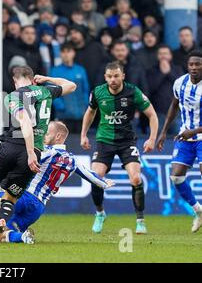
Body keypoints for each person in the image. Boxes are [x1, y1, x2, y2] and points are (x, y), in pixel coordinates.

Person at [0, 121, 115, 244]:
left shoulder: (46, 151)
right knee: (3, 234)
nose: (43, 135)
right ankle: (24, 238)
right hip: (38, 207)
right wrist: (105, 182)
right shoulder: (73, 160)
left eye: (47, 133)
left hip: (23, 196)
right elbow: (92, 177)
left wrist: (2, 148)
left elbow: (21, 158)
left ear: (58, 137)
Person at [0, 66, 77, 244]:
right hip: (32, 153)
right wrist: (47, 78)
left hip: (11, 147)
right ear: (33, 79)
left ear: (15, 81)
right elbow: (71, 85)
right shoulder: (46, 91)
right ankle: (2, 222)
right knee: (10, 197)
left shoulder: (14, 96)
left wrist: (29, 150)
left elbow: (24, 121)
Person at [80, 61, 159, 234]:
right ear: (105, 77)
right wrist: (83, 134)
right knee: (96, 178)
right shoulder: (98, 92)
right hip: (104, 141)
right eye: (109, 76)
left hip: (127, 141)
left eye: (116, 76)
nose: (113, 79)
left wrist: (152, 139)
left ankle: (140, 221)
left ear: (123, 76)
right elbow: (90, 112)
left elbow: (152, 115)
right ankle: (100, 213)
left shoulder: (133, 91)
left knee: (136, 179)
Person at [157, 50, 202, 233]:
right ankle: (198, 210)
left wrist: (193, 131)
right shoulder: (179, 83)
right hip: (185, 137)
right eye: (191, 64)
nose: (194, 67)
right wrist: (163, 132)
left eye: (198, 64)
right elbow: (174, 105)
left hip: (199, 136)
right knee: (175, 176)